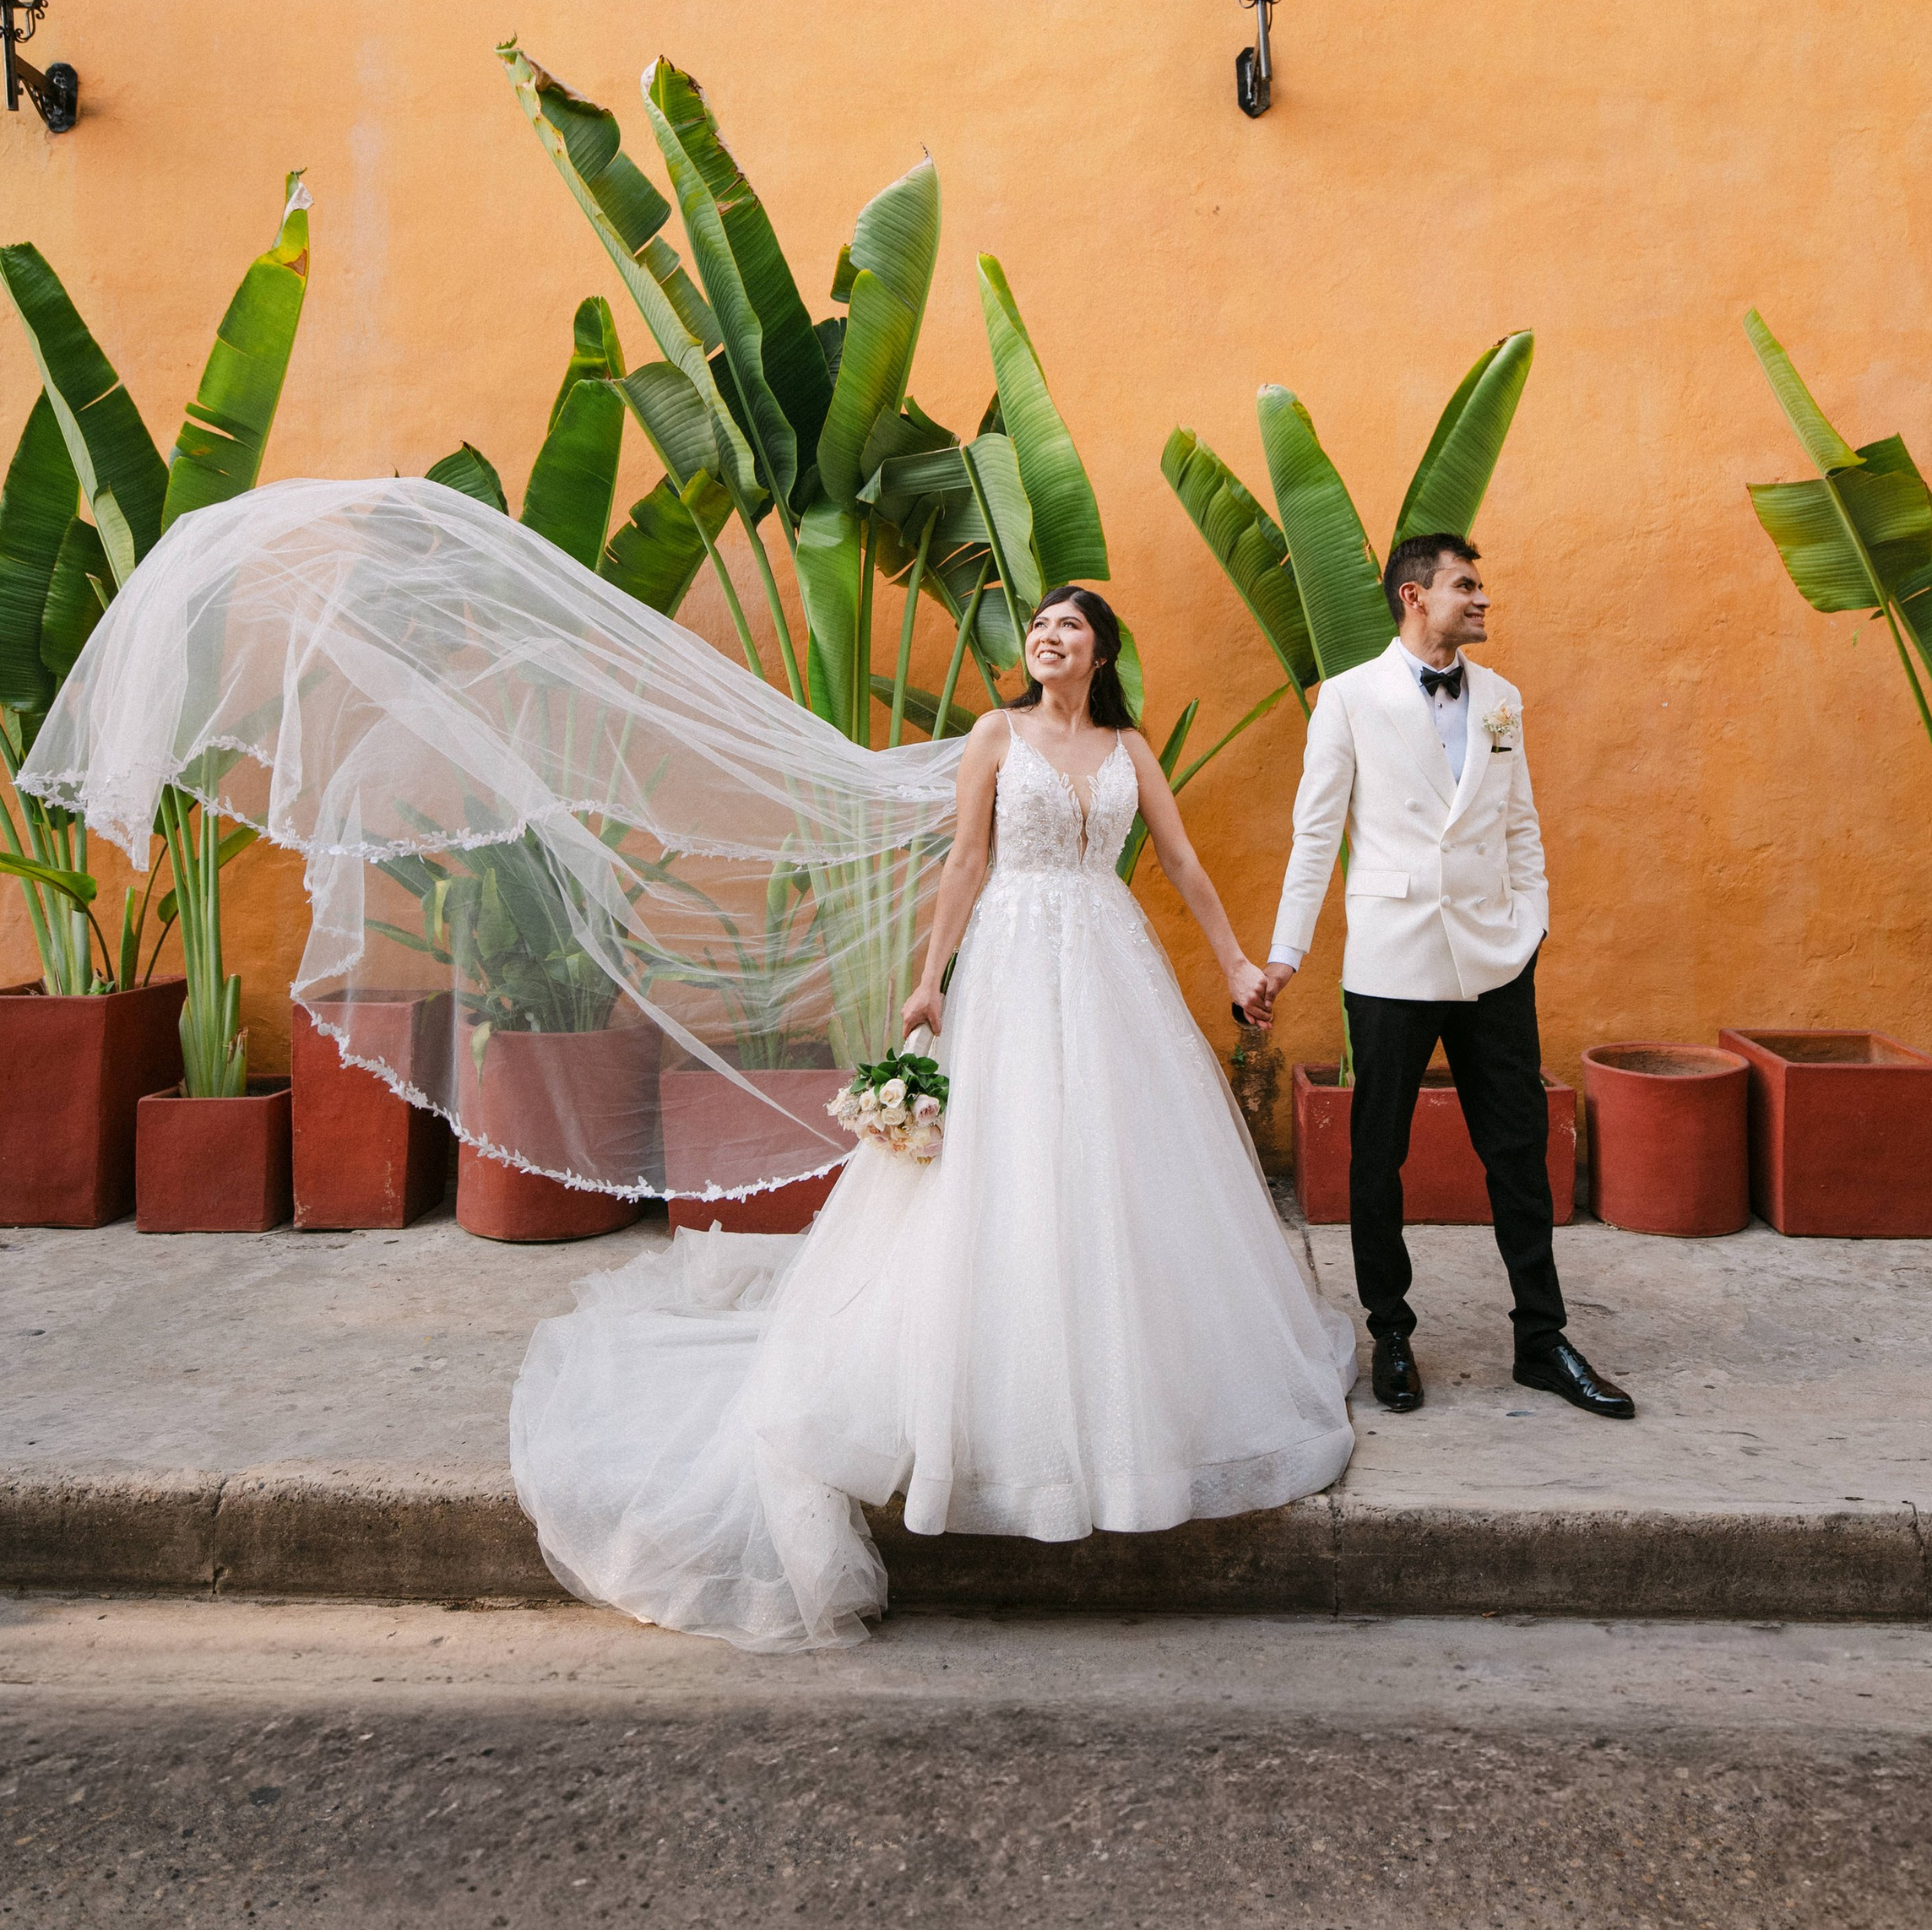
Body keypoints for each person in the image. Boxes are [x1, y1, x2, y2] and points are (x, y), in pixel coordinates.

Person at [509, 583, 1357, 1647]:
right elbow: (967, 858)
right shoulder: (995, 734)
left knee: (1114, 1159)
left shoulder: (1131, 749)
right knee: (999, 1163)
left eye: (1071, 627)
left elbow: (1180, 860)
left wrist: (1235, 961)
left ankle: (1123, 1395)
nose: (1047, 635)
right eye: (1041, 624)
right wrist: (928, 980)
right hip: (1009, 957)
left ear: (1101, 653)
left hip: (1107, 957)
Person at [1253, 532, 1633, 1422]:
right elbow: (1316, 833)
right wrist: (1285, 950)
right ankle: (1389, 1330)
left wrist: (1531, 921)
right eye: (1467, 585)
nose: (1482, 597)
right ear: (1415, 597)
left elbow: (1520, 822)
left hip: (1496, 957)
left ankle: (1541, 1340)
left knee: (1518, 1152)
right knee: (1376, 1156)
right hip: (1392, 954)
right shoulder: (1346, 699)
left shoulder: (1501, 699)